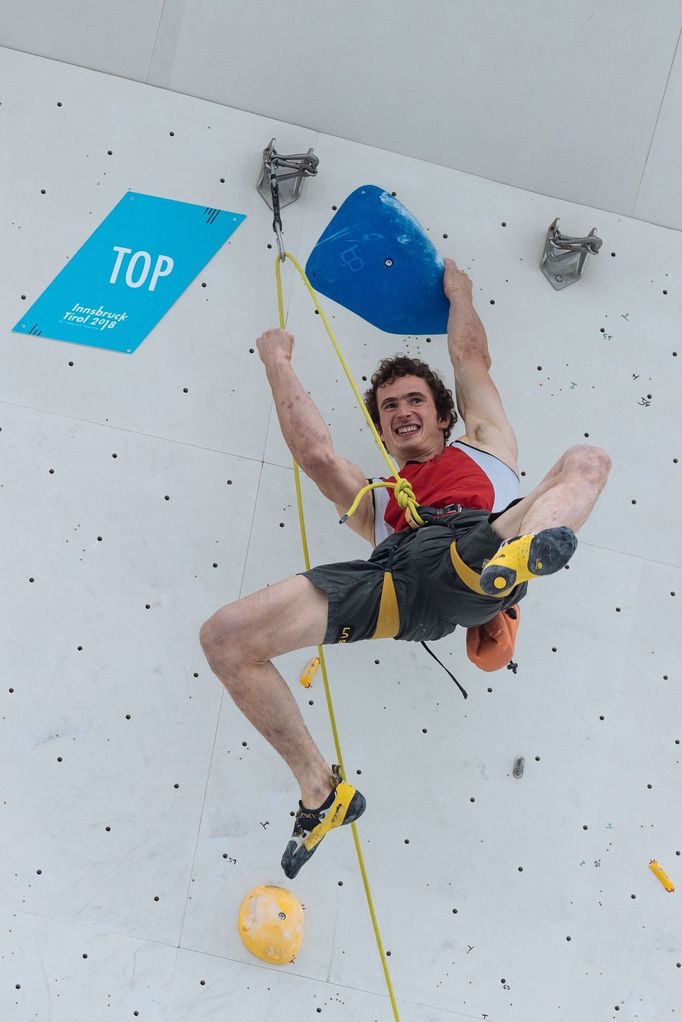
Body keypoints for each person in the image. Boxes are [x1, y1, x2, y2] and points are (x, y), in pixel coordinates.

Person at [200, 258, 611, 879]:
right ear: (383, 427)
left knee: (586, 459)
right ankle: (322, 791)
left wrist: (460, 293)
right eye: (389, 406)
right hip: (398, 586)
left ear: (444, 415)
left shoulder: (486, 448)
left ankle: (520, 557)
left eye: (415, 399)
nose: (401, 410)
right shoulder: (378, 501)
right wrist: (276, 360)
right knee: (226, 639)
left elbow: (471, 358)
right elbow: (313, 453)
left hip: (481, 539)